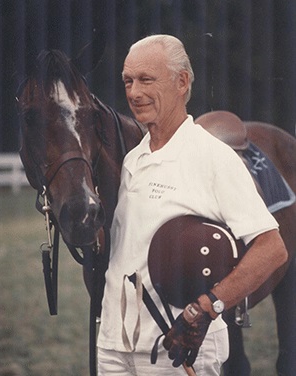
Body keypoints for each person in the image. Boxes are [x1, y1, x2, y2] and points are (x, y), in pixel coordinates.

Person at [97, 34, 288, 376]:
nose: (134, 92)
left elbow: (272, 249)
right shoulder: (131, 161)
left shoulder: (214, 157)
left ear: (182, 82)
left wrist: (208, 307)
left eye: (146, 79)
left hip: (178, 347)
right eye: (128, 80)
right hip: (114, 346)